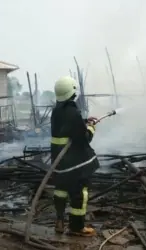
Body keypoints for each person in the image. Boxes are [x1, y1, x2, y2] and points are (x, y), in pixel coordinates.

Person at [51, 76, 100, 237]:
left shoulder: (57, 109)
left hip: (59, 160)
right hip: (73, 162)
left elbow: (68, 126)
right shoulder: (72, 111)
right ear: (72, 91)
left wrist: (84, 120)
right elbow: (83, 138)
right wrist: (91, 128)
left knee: (61, 190)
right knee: (80, 192)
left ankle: (59, 220)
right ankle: (77, 227)